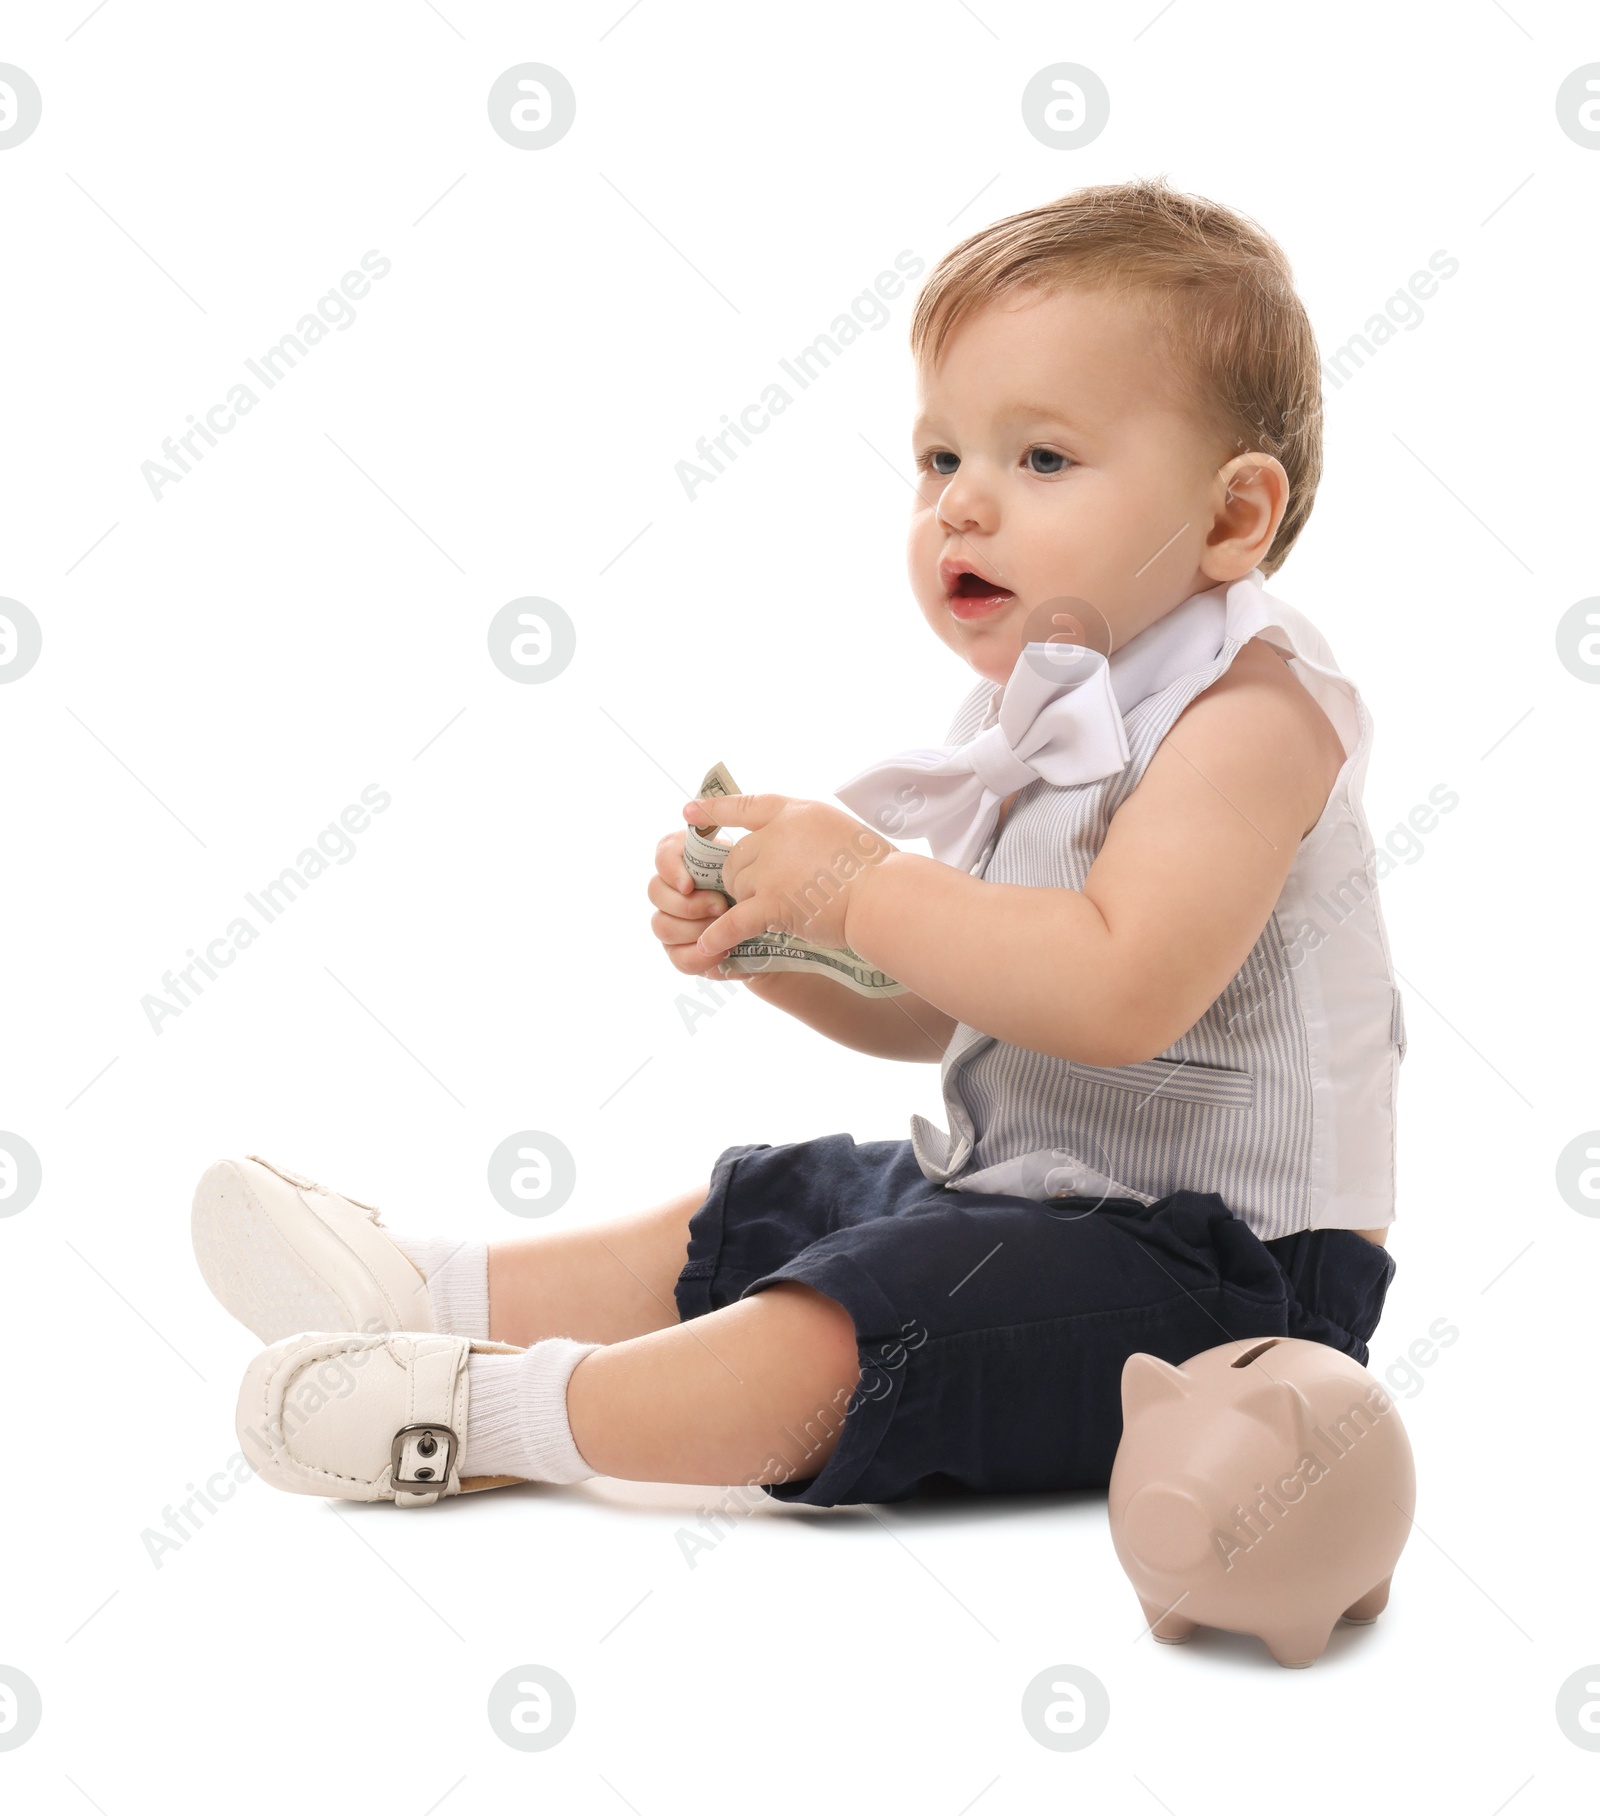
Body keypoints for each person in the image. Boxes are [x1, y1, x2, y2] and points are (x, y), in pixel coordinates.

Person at [195, 176, 1400, 1512]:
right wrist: (789, 944)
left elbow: (1115, 992)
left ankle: (484, 1414)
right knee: (790, 1202)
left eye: (1041, 458)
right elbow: (965, 1009)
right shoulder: (1041, 716)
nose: (961, 505)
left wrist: (861, 882)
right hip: (1032, 1193)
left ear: (1234, 516)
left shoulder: (1252, 715)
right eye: (941, 458)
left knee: (865, 1318)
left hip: (1234, 1286)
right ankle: (426, 1289)